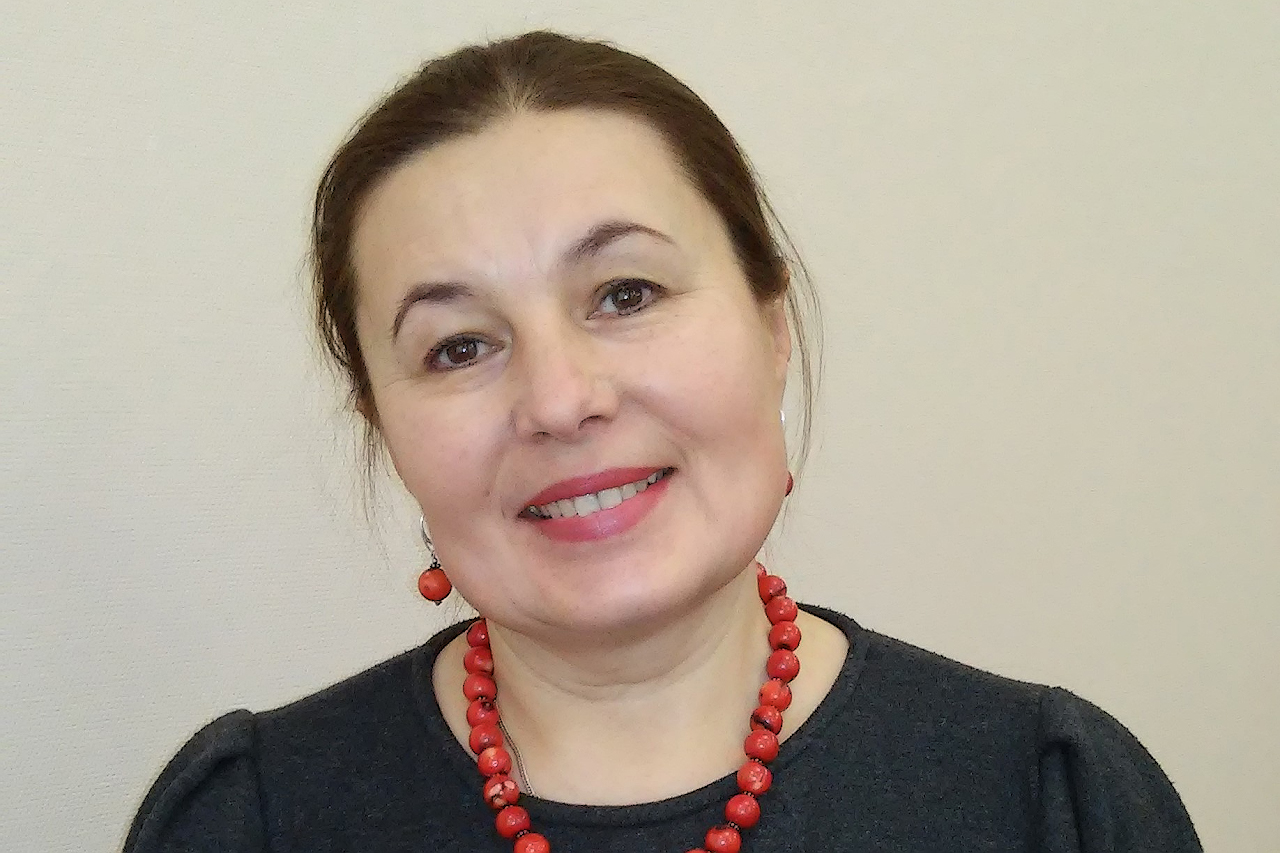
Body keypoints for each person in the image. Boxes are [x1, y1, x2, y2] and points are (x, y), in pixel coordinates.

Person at [124, 31, 1201, 853]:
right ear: (382, 424)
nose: (560, 400)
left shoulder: (1051, 798)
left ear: (771, 326)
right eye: (458, 347)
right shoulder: (249, 818)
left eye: (625, 292)